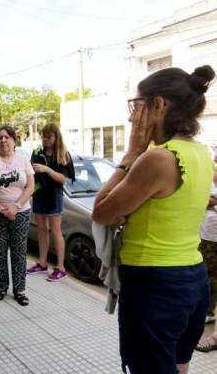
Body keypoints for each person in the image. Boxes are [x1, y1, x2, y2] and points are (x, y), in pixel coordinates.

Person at [92, 65, 216, 374]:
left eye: (136, 105)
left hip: (154, 286)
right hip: (193, 281)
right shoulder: (200, 153)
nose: (132, 117)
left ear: (158, 105)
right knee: (177, 365)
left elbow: (102, 211)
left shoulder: (157, 158)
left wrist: (131, 152)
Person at [0, 125, 34, 306]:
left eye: (7, 137)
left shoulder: (23, 160)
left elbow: (30, 186)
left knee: (19, 251)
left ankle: (19, 290)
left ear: (14, 140)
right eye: (0, 137)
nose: (3, 140)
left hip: (21, 212)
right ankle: (1, 287)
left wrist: (16, 206)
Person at [26, 123, 75, 281]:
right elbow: (30, 172)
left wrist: (46, 169)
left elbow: (62, 179)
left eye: (49, 137)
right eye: (43, 137)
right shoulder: (37, 152)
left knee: (55, 231)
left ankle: (61, 267)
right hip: (39, 194)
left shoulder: (63, 155)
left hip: (54, 195)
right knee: (41, 230)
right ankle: (42, 263)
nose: (45, 140)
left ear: (56, 137)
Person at [195, 168, 217, 353]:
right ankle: (209, 312)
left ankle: (216, 337)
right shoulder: (209, 176)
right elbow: (200, 200)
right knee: (207, 278)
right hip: (207, 237)